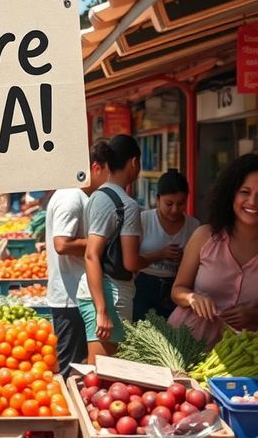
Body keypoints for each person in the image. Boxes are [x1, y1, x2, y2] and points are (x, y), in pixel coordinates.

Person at [77, 134, 182, 363]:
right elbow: (127, 262)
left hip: (93, 292)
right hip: (111, 297)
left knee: (97, 370)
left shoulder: (97, 196)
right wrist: (102, 310)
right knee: (105, 373)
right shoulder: (127, 204)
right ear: (134, 162)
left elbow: (93, 253)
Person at [169, 153, 258, 348]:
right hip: (184, 346)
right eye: (245, 191)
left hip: (241, 360)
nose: (252, 201)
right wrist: (192, 298)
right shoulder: (204, 236)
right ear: (231, 194)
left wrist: (254, 316)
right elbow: (177, 290)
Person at [45, 139, 110, 375]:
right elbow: (61, 244)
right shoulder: (71, 197)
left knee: (78, 364)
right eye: (108, 171)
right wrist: (99, 242)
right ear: (95, 168)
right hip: (69, 297)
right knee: (67, 367)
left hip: (76, 294)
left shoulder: (81, 196)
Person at [134, 170, 200, 322]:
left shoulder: (194, 226)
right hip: (145, 286)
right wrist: (160, 254)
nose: (175, 210)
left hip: (177, 289)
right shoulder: (144, 220)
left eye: (181, 203)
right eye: (169, 204)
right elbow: (130, 259)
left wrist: (185, 259)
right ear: (157, 199)